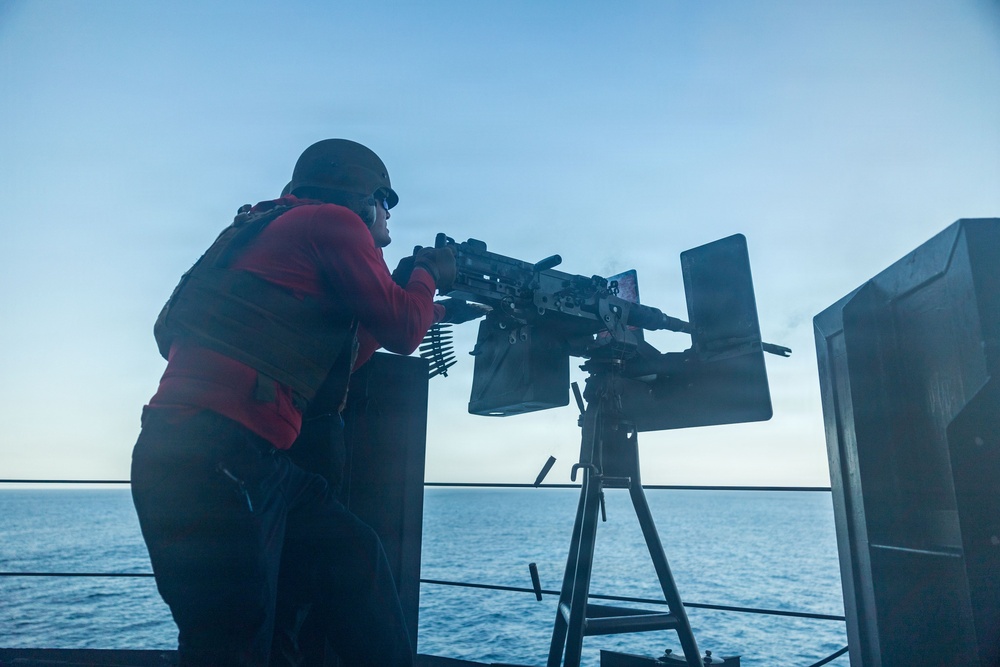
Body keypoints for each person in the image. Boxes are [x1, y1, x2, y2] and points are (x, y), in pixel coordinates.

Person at [131, 138, 477, 666]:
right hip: (217, 458)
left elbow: (342, 358)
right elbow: (405, 330)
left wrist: (425, 304)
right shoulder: (333, 224)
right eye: (386, 205)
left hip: (232, 458)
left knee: (352, 558)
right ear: (365, 199)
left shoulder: (270, 227)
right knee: (231, 640)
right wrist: (428, 274)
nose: (387, 223)